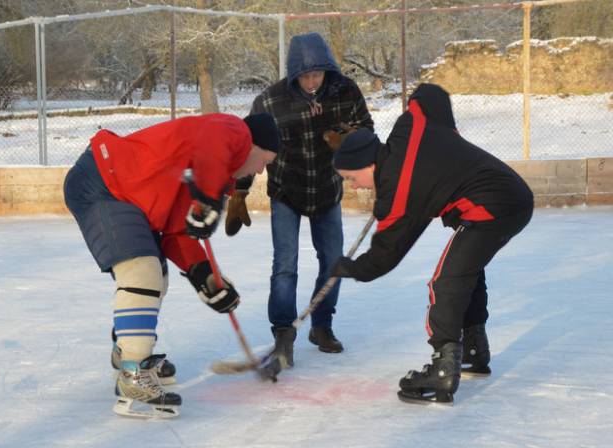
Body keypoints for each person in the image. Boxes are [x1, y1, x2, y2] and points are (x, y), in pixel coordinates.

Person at [63, 112, 280, 418]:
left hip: (127, 197)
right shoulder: (233, 131)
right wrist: (207, 200)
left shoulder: (214, 173)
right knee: (143, 273)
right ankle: (133, 373)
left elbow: (177, 232)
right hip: (105, 183)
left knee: (158, 277)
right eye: (264, 161)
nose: (260, 171)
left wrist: (205, 276)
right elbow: (214, 142)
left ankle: (127, 352)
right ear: (253, 145)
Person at [330, 83, 534, 405]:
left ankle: (443, 369)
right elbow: (431, 96)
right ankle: (473, 350)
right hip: (513, 197)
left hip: (493, 206)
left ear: (366, 165)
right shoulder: (411, 127)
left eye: (352, 178)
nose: (354, 186)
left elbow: (386, 255)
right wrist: (413, 99)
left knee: (447, 279)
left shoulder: (399, 189)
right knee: (466, 270)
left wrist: (353, 268)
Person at [226, 32, 373, 369]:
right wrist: (240, 191)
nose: (311, 81)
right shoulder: (270, 101)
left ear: (327, 70)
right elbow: (251, 147)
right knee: (285, 265)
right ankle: (282, 333)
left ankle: (321, 326)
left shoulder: (345, 91)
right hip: (287, 190)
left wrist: (349, 138)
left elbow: (367, 129)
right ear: (293, 74)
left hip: (327, 189)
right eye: (304, 75)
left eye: (317, 74)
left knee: (333, 260)